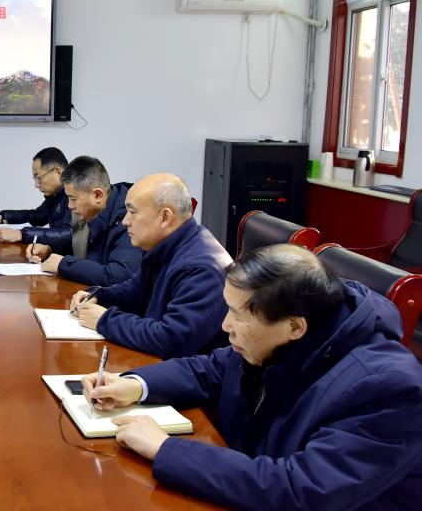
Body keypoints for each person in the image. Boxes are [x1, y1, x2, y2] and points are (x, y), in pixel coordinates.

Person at [80, 245, 422, 510]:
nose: (224, 325)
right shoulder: (288, 337)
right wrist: (134, 385)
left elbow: (302, 490)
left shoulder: (388, 389)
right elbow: (212, 369)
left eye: (237, 315)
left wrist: (166, 449)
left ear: (294, 326)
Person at [69, 173, 230, 359]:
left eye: (132, 212)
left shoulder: (201, 269)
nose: (125, 221)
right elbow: (135, 290)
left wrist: (105, 320)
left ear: (165, 217)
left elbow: (171, 340)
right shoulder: (166, 246)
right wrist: (99, 295)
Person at [27, 156, 141, 286]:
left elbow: (118, 275)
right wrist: (49, 250)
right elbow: (83, 252)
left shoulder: (129, 219)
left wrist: (63, 264)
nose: (70, 206)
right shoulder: (92, 211)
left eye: (73, 199)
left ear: (97, 195)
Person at [0, 147, 71, 244]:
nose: (36, 185)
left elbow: (69, 234)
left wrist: (21, 234)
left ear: (58, 172)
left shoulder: (74, 194)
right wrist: (2, 218)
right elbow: (37, 216)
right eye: (35, 179)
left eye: (39, 178)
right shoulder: (56, 194)